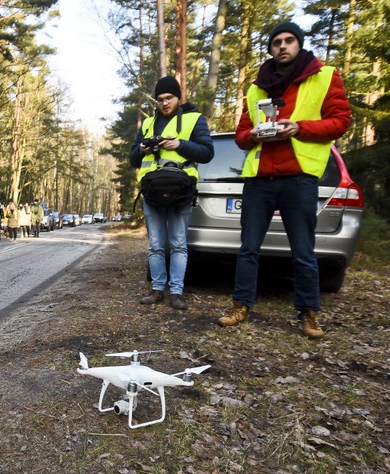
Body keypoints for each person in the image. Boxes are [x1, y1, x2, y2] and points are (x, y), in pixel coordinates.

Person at [217, 21, 351, 339]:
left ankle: (309, 313)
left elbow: (341, 120)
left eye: (289, 40)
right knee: (248, 248)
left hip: (299, 178)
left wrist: (300, 128)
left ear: (299, 45)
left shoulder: (324, 76)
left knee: (303, 250)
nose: (283, 46)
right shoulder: (256, 88)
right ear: (271, 48)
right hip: (259, 180)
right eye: (277, 42)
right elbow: (240, 136)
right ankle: (241, 306)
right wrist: (253, 135)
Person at [129, 75, 214, 310]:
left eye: (169, 98)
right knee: (156, 244)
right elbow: (133, 158)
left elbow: (207, 152)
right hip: (152, 192)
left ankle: (176, 292)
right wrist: (143, 148)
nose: (165, 103)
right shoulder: (147, 124)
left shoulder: (194, 119)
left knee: (178, 243)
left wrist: (180, 144)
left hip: (181, 191)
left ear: (178, 98)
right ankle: (157, 289)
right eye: (160, 99)